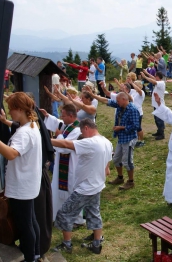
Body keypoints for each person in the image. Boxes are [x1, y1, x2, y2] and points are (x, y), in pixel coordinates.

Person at [51, 118, 113, 254]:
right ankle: (97, 243)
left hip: (85, 188)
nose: (82, 136)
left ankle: (67, 244)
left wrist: (46, 140)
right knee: (93, 212)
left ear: (86, 128)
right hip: (97, 185)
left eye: (82, 133)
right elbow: (107, 170)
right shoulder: (107, 142)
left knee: (65, 213)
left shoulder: (90, 142)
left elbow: (66, 144)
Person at [0, 92, 42, 262]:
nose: (10, 112)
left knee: (25, 225)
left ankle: (30, 258)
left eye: (11, 109)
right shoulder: (32, 126)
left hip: (21, 186)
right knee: (31, 220)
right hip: (28, 183)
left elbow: (11, 154)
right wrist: (4, 121)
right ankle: (36, 252)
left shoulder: (24, 133)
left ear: (20, 109)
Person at [41, 104, 86, 226]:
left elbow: (66, 146)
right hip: (62, 164)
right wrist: (47, 116)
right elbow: (58, 122)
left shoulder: (77, 130)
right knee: (58, 190)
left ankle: (76, 219)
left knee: (71, 191)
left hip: (71, 165)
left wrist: (59, 135)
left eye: (64, 115)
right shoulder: (69, 125)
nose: (62, 117)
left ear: (71, 116)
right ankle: (60, 214)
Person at [87, 90, 140, 190]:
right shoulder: (121, 105)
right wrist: (94, 95)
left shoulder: (132, 110)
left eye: (118, 101)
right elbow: (107, 101)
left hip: (129, 138)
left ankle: (131, 181)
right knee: (116, 159)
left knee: (127, 161)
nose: (117, 103)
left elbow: (135, 126)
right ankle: (120, 178)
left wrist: (121, 127)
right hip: (121, 138)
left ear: (124, 99)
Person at [141, 71, 166, 140]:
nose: (155, 77)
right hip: (156, 104)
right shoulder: (159, 82)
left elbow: (153, 81)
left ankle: (162, 134)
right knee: (156, 119)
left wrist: (145, 77)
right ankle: (159, 131)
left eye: (156, 76)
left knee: (159, 119)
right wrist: (146, 73)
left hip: (159, 105)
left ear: (158, 77)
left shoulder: (161, 83)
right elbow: (153, 78)